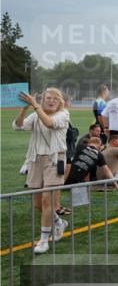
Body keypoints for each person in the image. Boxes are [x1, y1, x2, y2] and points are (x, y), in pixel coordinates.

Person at [12, 88, 71, 254]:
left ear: (60, 102)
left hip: (55, 159)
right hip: (35, 158)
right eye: (48, 98)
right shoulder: (36, 114)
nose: (51, 101)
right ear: (43, 100)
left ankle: (44, 241)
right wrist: (24, 108)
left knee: (47, 200)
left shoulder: (63, 114)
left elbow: (49, 123)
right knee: (38, 203)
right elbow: (17, 126)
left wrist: (35, 106)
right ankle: (59, 222)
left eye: (55, 99)